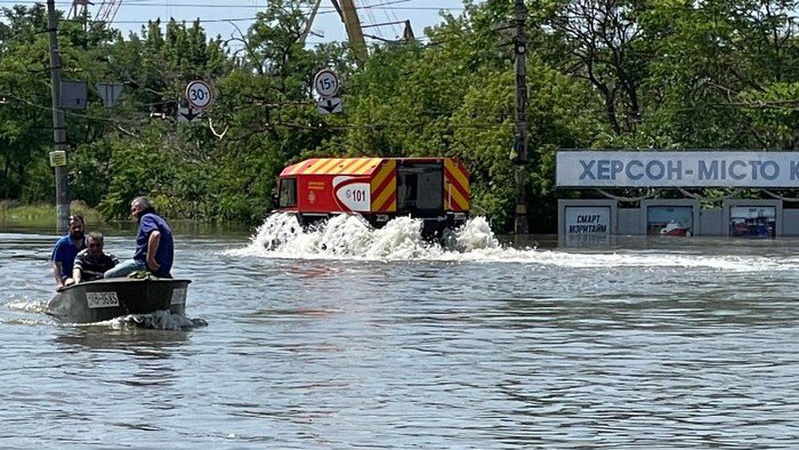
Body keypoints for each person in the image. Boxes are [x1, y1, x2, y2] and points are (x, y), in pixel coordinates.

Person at [104, 196, 174, 279]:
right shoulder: (160, 219)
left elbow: (155, 234)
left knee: (108, 275)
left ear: (141, 208)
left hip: (143, 265)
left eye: (134, 210)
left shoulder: (146, 218)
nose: (133, 214)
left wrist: (150, 260)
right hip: (163, 268)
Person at [51, 214, 86, 290]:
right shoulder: (62, 244)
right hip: (67, 277)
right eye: (74, 227)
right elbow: (57, 266)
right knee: (71, 282)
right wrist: (60, 284)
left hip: (86, 275)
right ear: (69, 228)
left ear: (83, 227)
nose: (77, 230)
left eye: (79, 227)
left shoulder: (89, 243)